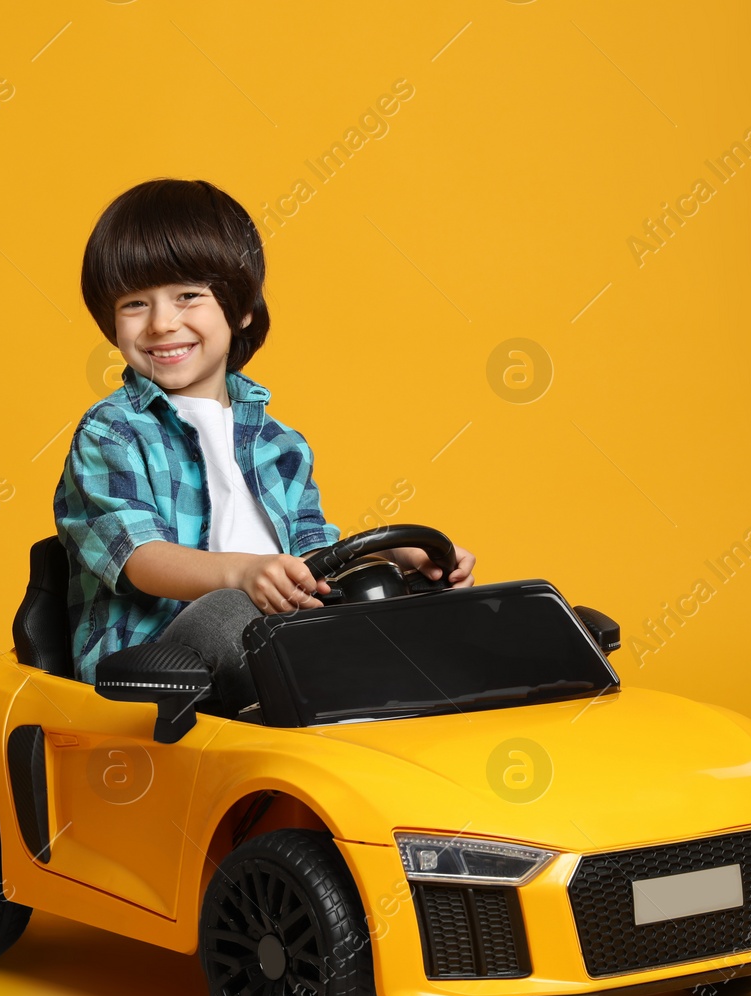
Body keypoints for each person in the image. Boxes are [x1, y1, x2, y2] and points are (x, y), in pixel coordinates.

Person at [55, 178, 475, 714]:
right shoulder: (112, 433)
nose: (162, 323)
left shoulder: (280, 445)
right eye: (136, 303)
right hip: (155, 664)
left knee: (404, 600)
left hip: (283, 637)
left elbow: (314, 558)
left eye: (188, 296)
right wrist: (242, 574)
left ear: (241, 309)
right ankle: (310, 710)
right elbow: (139, 557)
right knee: (233, 612)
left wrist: (395, 557)